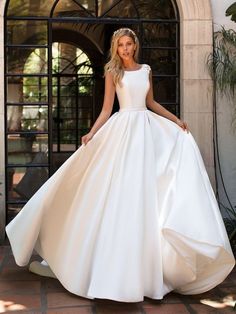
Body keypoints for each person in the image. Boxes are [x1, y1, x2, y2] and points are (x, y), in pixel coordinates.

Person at [6, 28, 235, 303]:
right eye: (120, 45)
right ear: (115, 48)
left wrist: (176, 120)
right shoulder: (113, 72)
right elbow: (106, 109)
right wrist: (91, 133)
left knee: (148, 194)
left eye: (129, 44)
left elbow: (150, 103)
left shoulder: (146, 70)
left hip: (145, 132)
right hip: (122, 130)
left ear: (135, 45)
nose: (125, 49)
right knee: (115, 191)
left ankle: (145, 268)